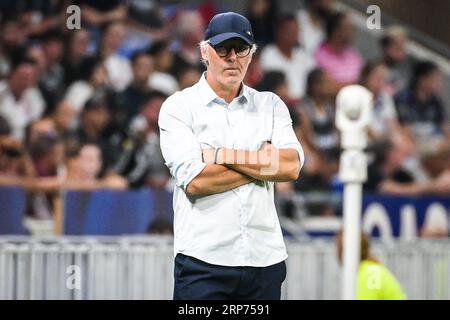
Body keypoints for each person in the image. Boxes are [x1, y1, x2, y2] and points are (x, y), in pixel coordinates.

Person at [158, 12, 304, 300]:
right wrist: (263, 164)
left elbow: (291, 167)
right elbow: (197, 181)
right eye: (223, 48)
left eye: (241, 49)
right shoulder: (179, 107)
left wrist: (221, 156)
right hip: (203, 262)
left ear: (252, 55)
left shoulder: (271, 105)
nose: (232, 57)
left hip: (265, 260)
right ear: (205, 52)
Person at [335, 230, 407, 300]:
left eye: (337, 248)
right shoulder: (371, 269)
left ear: (344, 251)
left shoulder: (365, 275)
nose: (336, 253)